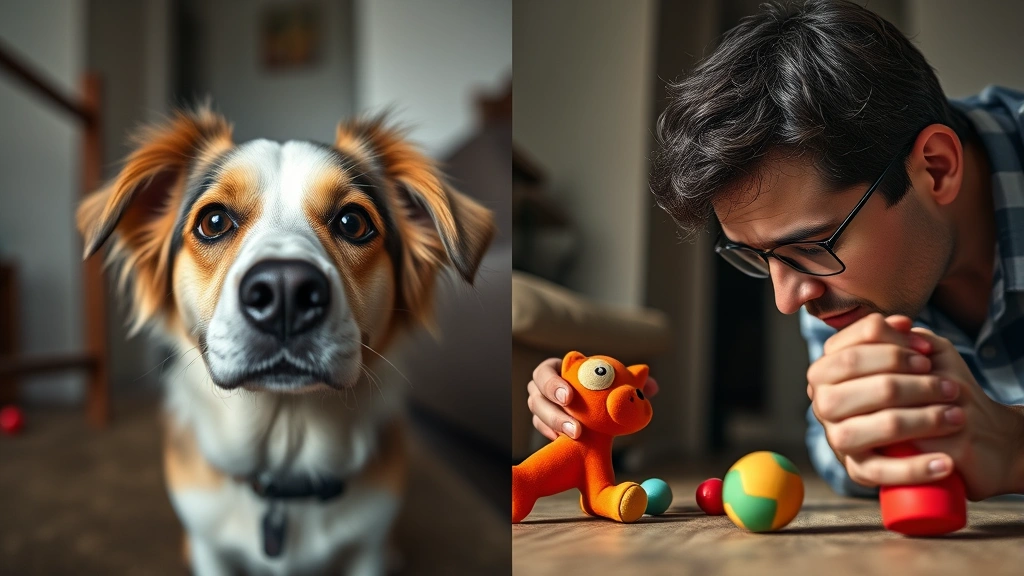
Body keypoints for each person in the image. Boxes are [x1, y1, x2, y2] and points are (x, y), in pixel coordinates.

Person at [525, 0, 1024, 501]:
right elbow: (830, 443)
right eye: (761, 257)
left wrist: (1014, 447)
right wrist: (588, 411)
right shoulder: (832, 278)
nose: (788, 301)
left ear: (936, 168)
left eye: (810, 245)